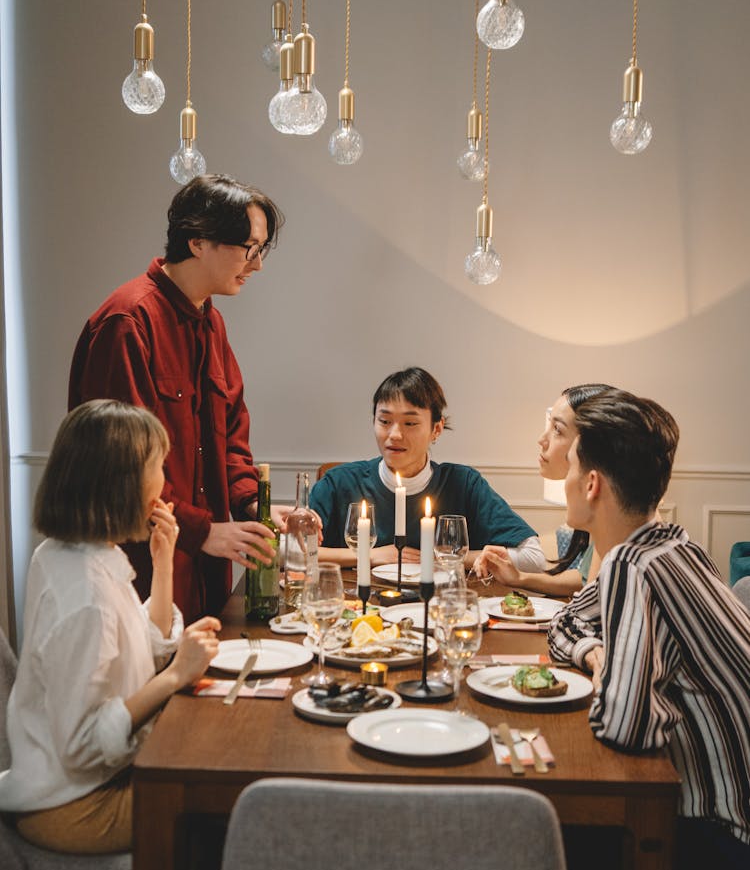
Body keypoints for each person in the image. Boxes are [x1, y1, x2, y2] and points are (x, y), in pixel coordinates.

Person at [547, 389, 750, 870]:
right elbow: (565, 626)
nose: (566, 479)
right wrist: (596, 653)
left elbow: (627, 728)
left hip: (726, 834)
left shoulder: (629, 568)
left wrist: (614, 676)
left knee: (535, 842)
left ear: (592, 484)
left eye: (571, 465)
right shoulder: (673, 544)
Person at [0, 400, 220, 854]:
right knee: (220, 803)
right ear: (124, 485)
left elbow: (138, 642)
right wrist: (177, 675)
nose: (165, 481)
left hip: (66, 785)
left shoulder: (72, 552)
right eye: (158, 466)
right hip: (74, 805)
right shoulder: (85, 596)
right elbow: (83, 746)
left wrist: (164, 564)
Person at [69, 174, 285, 624]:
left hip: (207, 564)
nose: (258, 265)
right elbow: (121, 465)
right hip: (142, 566)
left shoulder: (212, 320)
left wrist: (251, 503)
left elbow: (230, 433)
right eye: (250, 248)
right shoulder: (128, 322)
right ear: (198, 242)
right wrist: (201, 530)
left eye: (261, 250)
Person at [309, 367, 545, 570]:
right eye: (384, 421)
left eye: (410, 423)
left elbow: (533, 557)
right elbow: (293, 552)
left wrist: (439, 559)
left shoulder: (463, 484)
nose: (394, 434)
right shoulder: (339, 483)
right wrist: (368, 555)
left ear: (437, 429)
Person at [472, 383, 613, 597]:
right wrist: (519, 578)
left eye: (557, 429)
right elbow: (583, 580)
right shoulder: (607, 522)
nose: (541, 439)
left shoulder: (618, 533)